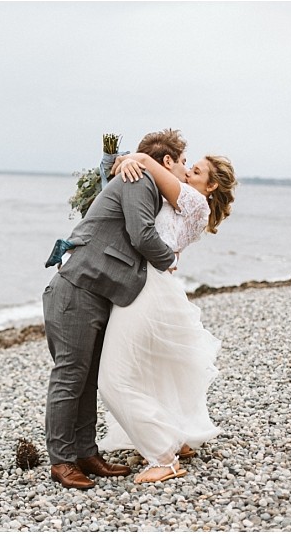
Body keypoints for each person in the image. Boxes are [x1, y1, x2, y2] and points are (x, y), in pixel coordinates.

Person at [42, 129, 186, 490]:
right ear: (166, 160)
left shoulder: (138, 175)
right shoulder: (139, 180)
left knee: (87, 378)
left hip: (100, 291)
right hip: (77, 289)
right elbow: (140, 235)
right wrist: (169, 261)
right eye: (183, 161)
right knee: (70, 376)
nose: (184, 169)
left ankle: (86, 453)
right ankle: (61, 460)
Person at [97, 149, 237, 483]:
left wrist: (135, 158)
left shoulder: (195, 202)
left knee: (113, 379)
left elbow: (147, 162)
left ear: (211, 187)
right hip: (155, 286)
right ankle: (177, 436)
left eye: (197, 171)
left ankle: (163, 457)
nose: (188, 172)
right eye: (190, 167)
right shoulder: (180, 203)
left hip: (149, 289)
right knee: (152, 373)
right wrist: (118, 160)